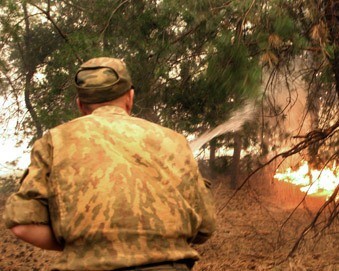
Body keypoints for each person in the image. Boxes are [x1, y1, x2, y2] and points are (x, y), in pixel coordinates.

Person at [3, 57, 216, 271]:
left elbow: (22, 225)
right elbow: (205, 227)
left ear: (80, 105)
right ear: (130, 98)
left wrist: (86, 247)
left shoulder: (54, 141)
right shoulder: (174, 140)